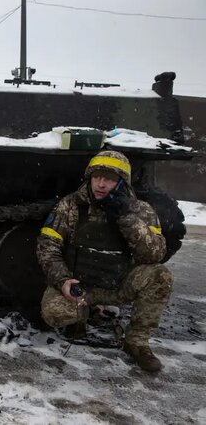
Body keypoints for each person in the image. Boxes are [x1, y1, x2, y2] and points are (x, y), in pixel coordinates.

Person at [37, 150, 173, 372]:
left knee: (160, 276)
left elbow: (153, 255)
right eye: (96, 177)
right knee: (55, 313)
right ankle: (82, 316)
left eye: (109, 179)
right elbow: (47, 246)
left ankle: (137, 342)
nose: (100, 184)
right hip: (79, 286)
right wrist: (63, 281)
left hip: (117, 285)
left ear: (121, 183)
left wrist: (125, 218)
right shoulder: (70, 205)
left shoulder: (141, 210)